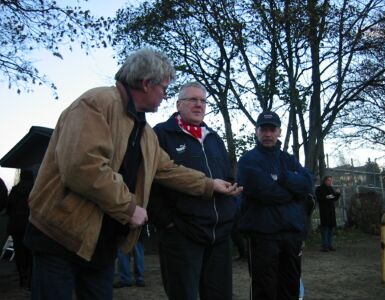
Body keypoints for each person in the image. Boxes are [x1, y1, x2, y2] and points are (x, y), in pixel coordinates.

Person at [23, 48, 242, 300]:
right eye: (163, 88)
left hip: (101, 244)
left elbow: (168, 169)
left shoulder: (145, 132)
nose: (165, 95)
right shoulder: (95, 103)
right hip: (60, 237)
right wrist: (129, 208)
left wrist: (209, 184)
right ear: (146, 84)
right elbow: (83, 167)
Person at [148, 81, 238, 300]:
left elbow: (227, 175)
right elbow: (149, 182)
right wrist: (167, 222)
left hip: (218, 236)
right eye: (192, 100)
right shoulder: (160, 134)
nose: (199, 105)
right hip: (182, 236)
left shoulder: (214, 138)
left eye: (203, 100)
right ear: (179, 104)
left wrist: (230, 208)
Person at [237, 110, 314, 300]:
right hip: (263, 237)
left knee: (290, 288)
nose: (268, 134)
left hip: (291, 236)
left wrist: (281, 177)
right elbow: (262, 191)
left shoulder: (288, 159)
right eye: (264, 129)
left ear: (279, 131)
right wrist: (293, 191)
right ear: (257, 131)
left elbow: (307, 184)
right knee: (265, 289)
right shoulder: (248, 160)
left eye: (272, 129)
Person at [5, 170, 34, 289]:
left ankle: (22, 277)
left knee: (19, 253)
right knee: (30, 254)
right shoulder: (35, 190)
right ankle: (29, 279)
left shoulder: (15, 190)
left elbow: (8, 207)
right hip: (30, 226)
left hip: (16, 226)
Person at [316, 175, 340, 252]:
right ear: (325, 181)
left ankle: (329, 245)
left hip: (331, 211)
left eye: (331, 180)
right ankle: (325, 246)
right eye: (329, 180)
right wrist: (330, 196)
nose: (330, 182)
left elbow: (334, 198)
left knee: (330, 228)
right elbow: (320, 198)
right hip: (324, 211)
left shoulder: (330, 188)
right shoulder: (319, 189)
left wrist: (337, 194)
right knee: (325, 228)